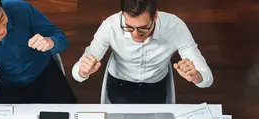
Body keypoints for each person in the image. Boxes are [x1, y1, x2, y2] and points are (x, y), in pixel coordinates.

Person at [72, 0, 212, 104]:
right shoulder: (110, 26)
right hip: (120, 84)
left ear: (155, 16)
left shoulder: (175, 27)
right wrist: (83, 72)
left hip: (155, 85)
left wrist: (196, 76)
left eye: (143, 28)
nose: (136, 34)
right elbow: (77, 73)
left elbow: (207, 79)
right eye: (129, 27)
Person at [0, 0, 77, 104]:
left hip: (42, 72)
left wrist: (51, 42)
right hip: (3, 87)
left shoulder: (21, 9)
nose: (2, 30)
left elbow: (62, 40)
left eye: (2, 18)